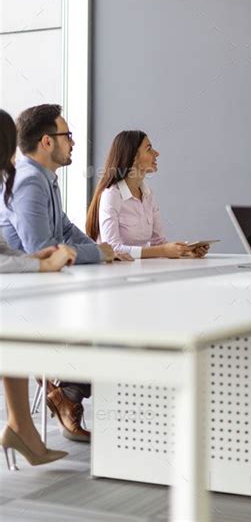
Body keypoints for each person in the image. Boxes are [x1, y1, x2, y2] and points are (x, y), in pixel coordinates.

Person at [0, 104, 130, 443]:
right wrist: (98, 254)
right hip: (27, 299)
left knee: (115, 310)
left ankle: (66, 390)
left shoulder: (45, 180)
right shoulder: (29, 182)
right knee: (112, 320)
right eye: (67, 136)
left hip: (48, 288)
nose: (73, 142)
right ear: (47, 141)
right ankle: (66, 391)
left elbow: (67, 230)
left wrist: (104, 253)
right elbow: (40, 246)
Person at [0, 109, 76, 470]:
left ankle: (21, 426)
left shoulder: (22, 178)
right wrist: (40, 263)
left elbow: (3, 252)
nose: (14, 159)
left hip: (12, 291)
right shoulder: (26, 180)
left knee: (13, 329)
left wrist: (33, 258)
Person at [86, 130, 209, 258]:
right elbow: (112, 248)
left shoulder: (148, 195)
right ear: (133, 157)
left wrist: (186, 251)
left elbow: (159, 243)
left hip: (140, 269)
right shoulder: (112, 195)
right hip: (114, 272)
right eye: (149, 149)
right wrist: (164, 250)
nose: (157, 153)